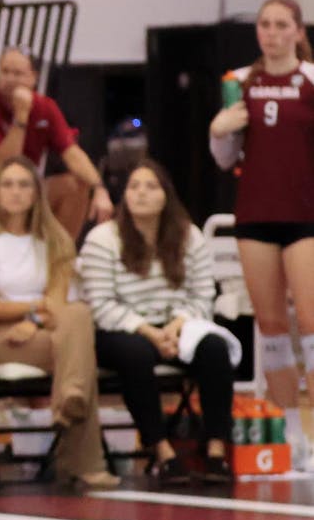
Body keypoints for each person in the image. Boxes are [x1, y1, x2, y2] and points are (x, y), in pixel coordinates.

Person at [209, 0, 314, 471]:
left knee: (310, 323)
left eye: (280, 25)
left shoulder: (310, 80)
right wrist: (219, 130)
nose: (270, 33)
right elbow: (226, 159)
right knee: (270, 326)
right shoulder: (239, 81)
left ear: (297, 31)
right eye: (264, 25)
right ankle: (292, 432)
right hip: (255, 215)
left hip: (304, 215)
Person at [0, 156, 119, 490]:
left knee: (77, 316)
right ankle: (85, 462)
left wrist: (35, 320)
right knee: (79, 351)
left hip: (43, 333)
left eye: (24, 185)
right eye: (7, 184)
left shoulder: (56, 240)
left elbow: (58, 304)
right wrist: (36, 312)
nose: (15, 192)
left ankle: (71, 395)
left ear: (37, 193)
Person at [82, 163, 235, 485]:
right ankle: (163, 452)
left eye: (151, 186)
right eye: (134, 186)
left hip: (178, 325)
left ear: (166, 196)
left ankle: (216, 451)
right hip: (123, 329)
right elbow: (101, 305)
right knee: (135, 355)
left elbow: (203, 294)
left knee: (214, 350)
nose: (141, 193)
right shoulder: (102, 239)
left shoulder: (188, 235)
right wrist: (149, 332)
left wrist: (177, 325)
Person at [0, 47, 112, 238]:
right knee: (13, 186)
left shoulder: (45, 107)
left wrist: (100, 188)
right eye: (5, 72)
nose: (10, 79)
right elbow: (4, 168)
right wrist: (21, 118)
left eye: (18, 73)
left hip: (27, 184)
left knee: (76, 184)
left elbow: (72, 153)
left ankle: (60, 254)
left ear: (33, 78)